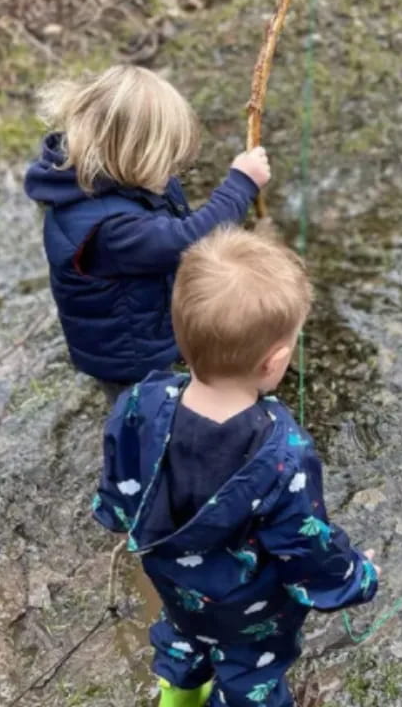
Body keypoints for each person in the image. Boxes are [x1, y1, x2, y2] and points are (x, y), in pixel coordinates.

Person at [92, 226, 379, 707]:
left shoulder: (139, 402)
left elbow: (120, 492)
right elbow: (305, 548)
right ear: (276, 360)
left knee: (181, 640)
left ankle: (179, 698)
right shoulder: (285, 454)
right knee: (251, 676)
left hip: (175, 586)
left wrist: (118, 518)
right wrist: (357, 577)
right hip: (250, 614)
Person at [23, 64, 271, 403]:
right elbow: (188, 241)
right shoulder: (112, 229)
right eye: (166, 160)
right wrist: (240, 186)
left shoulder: (105, 181)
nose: (172, 172)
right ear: (130, 156)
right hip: (129, 357)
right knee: (143, 418)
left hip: (140, 327)